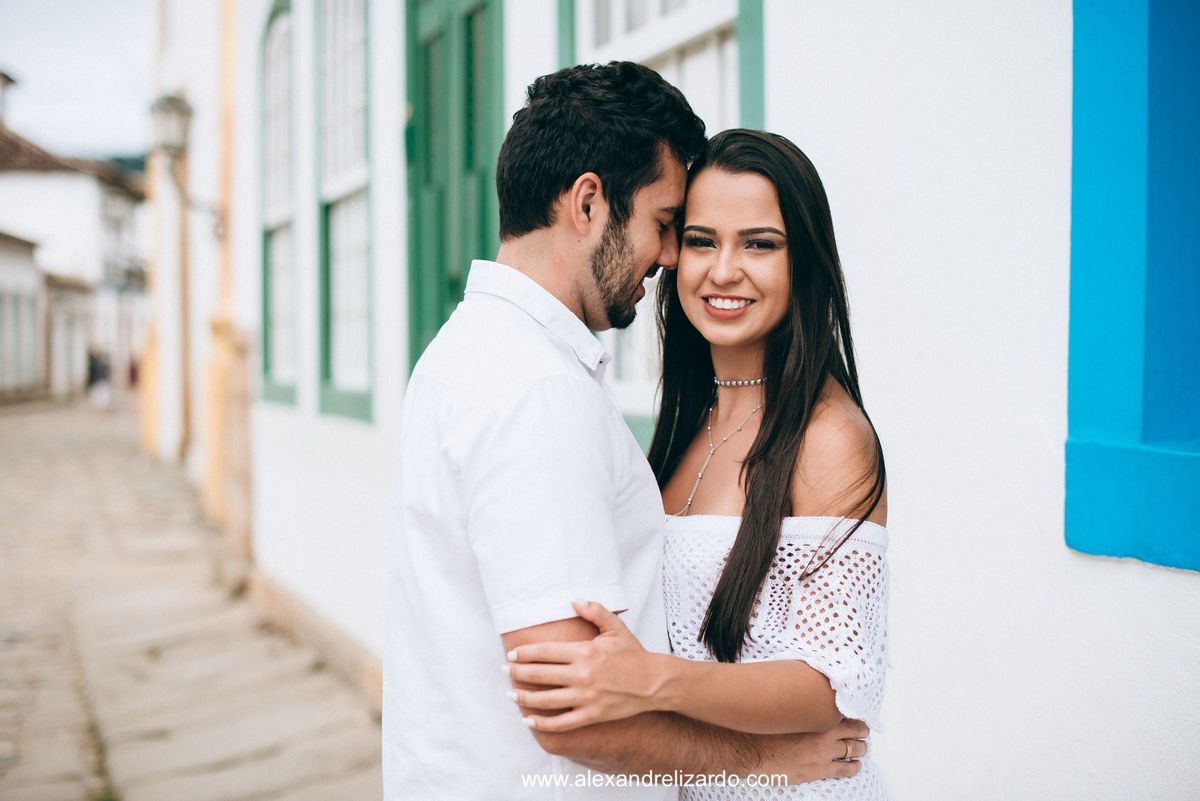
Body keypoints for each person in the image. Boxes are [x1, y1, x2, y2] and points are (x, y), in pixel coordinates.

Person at [386, 66, 869, 801]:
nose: (674, 257)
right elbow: (575, 718)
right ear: (589, 202)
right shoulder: (537, 389)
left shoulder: (463, 351)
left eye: (757, 243)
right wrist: (760, 760)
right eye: (671, 225)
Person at [504, 129, 890, 799]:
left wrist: (652, 678)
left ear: (805, 262)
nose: (723, 270)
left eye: (760, 244)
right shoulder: (687, 422)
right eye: (703, 240)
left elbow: (838, 682)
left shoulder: (828, 437)